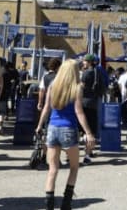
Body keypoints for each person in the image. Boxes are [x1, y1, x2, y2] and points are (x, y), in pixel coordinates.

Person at [35, 59, 96, 210]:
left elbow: (46, 108)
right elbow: (79, 112)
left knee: (52, 169)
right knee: (74, 167)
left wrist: (39, 125)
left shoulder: (52, 86)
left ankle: (49, 205)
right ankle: (66, 203)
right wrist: (88, 132)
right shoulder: (76, 88)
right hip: (69, 129)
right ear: (74, 72)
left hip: (52, 129)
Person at [80, 54, 104, 163]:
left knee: (83, 130)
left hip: (84, 103)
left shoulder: (86, 73)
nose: (83, 63)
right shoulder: (98, 72)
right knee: (91, 131)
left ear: (89, 62)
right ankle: (88, 155)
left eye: (85, 61)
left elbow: (81, 87)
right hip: (94, 102)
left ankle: (71, 155)